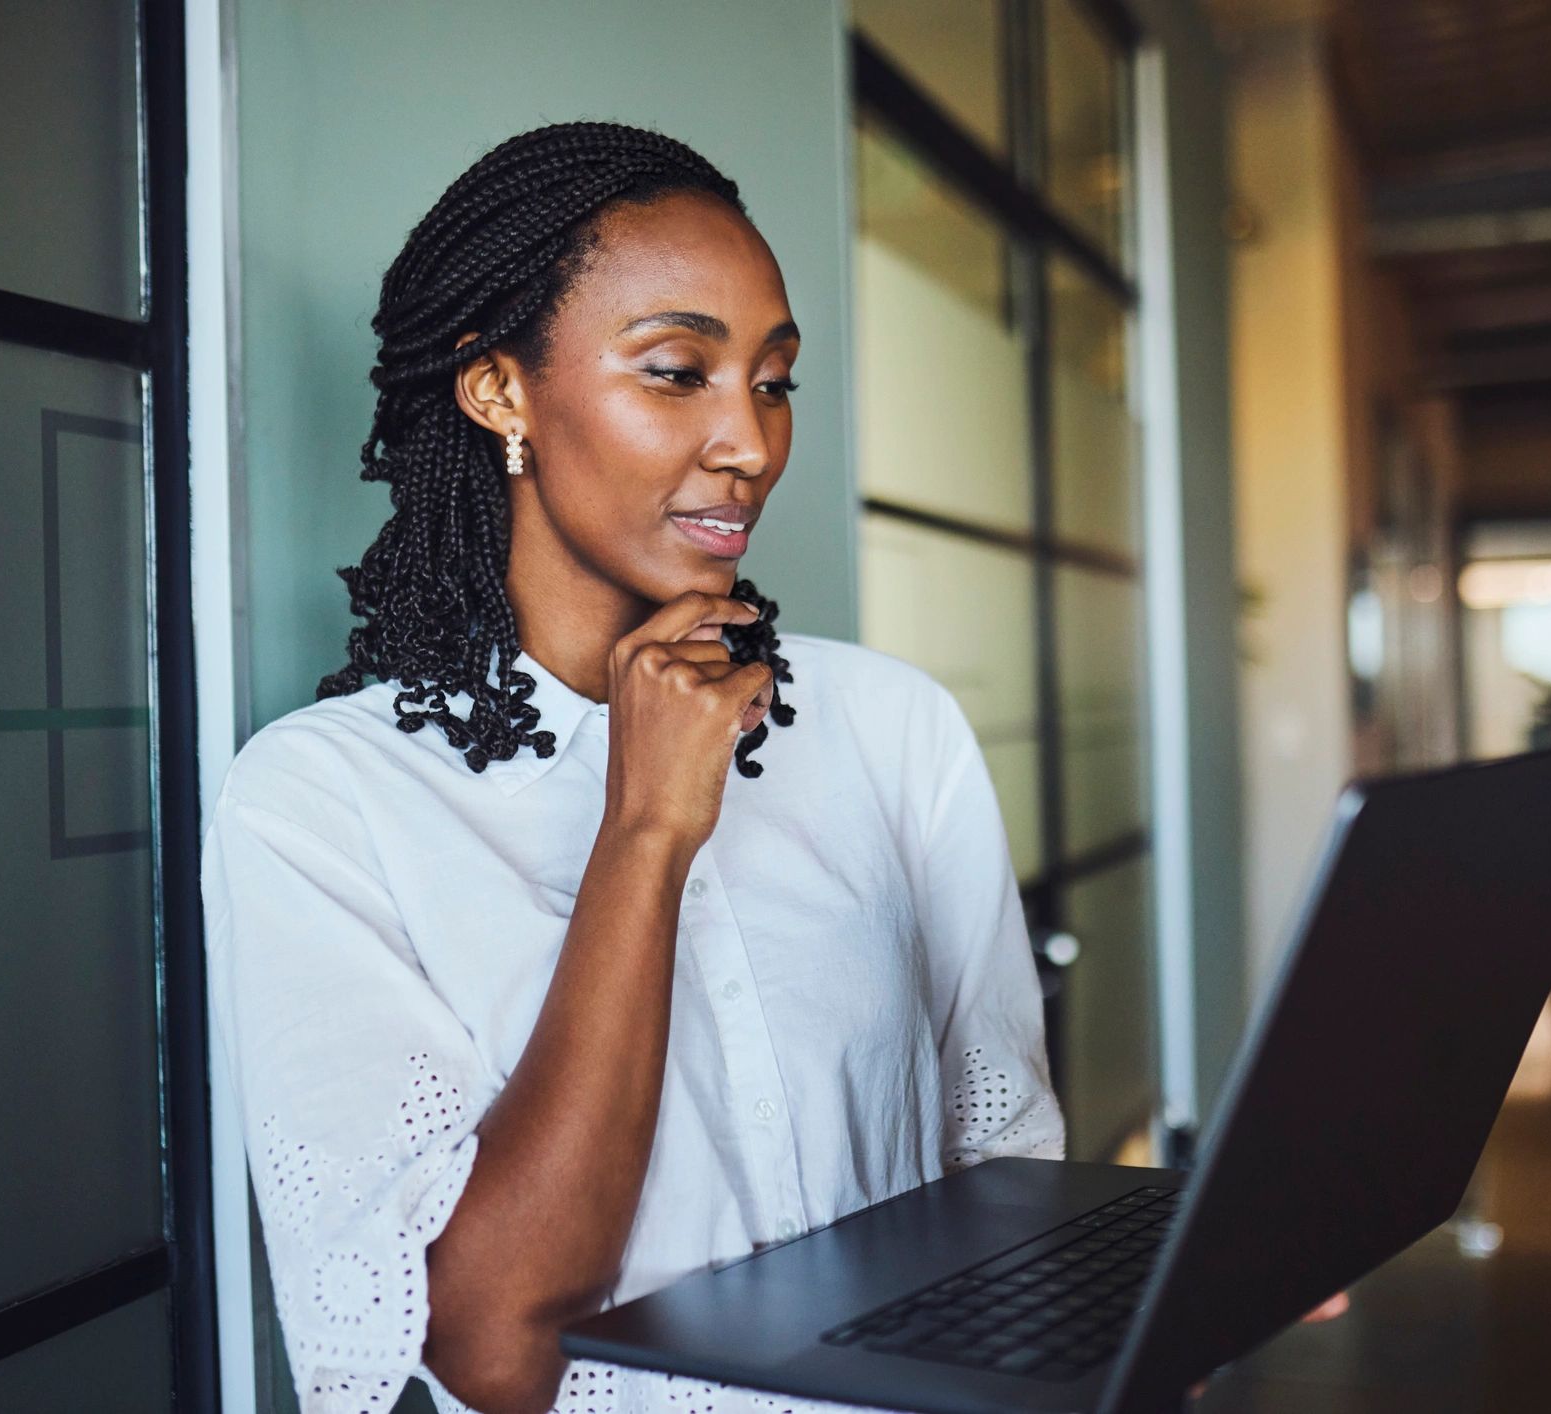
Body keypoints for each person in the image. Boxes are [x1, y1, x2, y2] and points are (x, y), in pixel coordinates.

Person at [202, 120, 1338, 1414]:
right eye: (679, 370)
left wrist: (1175, 1282)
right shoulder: (322, 804)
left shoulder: (890, 729)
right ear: (498, 389)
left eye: (775, 381)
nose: (750, 441)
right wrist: (646, 827)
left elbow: (1003, 1172)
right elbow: (492, 1345)